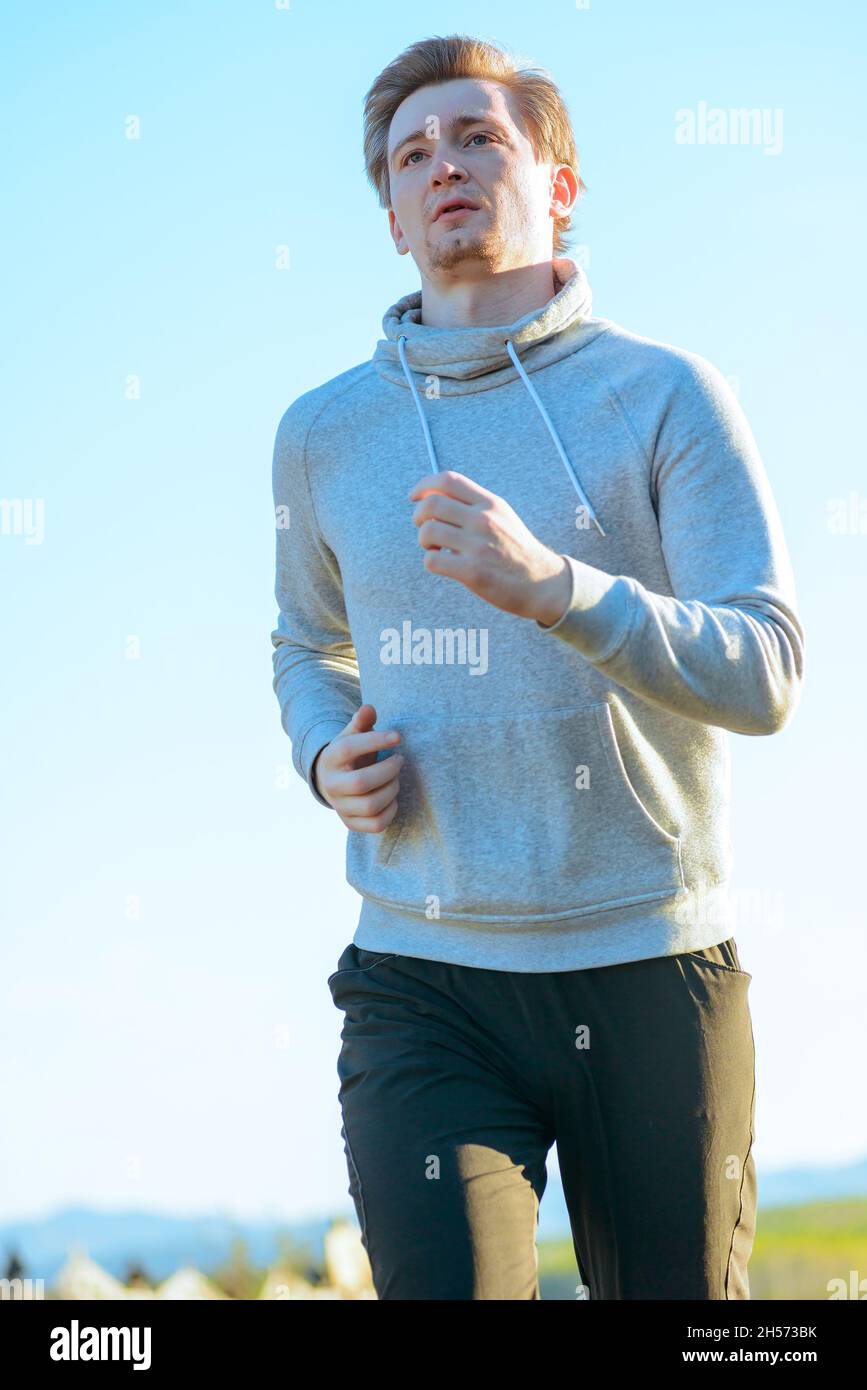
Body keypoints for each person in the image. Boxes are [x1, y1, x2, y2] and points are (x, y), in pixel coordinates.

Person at [269, 33, 805, 1299]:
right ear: (393, 217)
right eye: (412, 155)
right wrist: (320, 748)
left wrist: (560, 591)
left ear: (558, 184)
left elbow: (769, 667)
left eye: (479, 137)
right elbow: (305, 642)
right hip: (423, 977)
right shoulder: (320, 434)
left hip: (652, 964)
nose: (443, 166)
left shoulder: (668, 393)